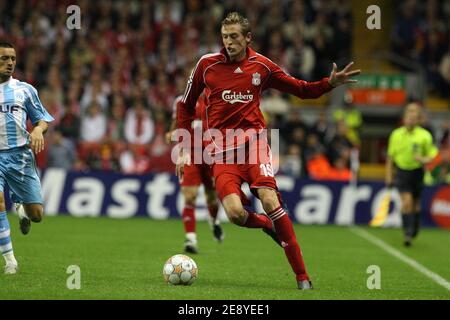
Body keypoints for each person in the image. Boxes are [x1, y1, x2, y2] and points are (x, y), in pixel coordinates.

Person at [176, 12, 360, 290]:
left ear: (247, 38)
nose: (229, 42)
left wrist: (329, 83)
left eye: (235, 36)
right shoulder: (206, 65)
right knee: (236, 214)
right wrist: (184, 148)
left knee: (270, 199)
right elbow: (185, 107)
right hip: (221, 153)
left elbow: (301, 89)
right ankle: (265, 224)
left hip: (254, 146)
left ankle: (302, 277)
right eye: (225, 37)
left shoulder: (262, 66)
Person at [0, 42, 54, 274]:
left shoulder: (25, 89)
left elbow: (42, 118)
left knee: (37, 214)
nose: (10, 62)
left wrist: (39, 129)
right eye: (4, 58)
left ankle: (22, 210)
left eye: (12, 58)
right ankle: (10, 260)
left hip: (20, 156)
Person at [167, 94, 224, 254]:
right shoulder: (181, 101)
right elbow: (175, 124)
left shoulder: (215, 97)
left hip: (211, 154)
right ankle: (190, 238)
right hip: (189, 154)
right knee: (190, 195)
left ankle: (214, 221)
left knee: (212, 196)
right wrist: (170, 134)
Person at [385, 102, 438, 247]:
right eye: (408, 117)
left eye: (414, 117)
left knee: (415, 205)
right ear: (404, 118)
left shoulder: (425, 136)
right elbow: (390, 157)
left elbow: (433, 155)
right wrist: (389, 175)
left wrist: (424, 159)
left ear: (418, 120)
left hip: (418, 172)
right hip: (402, 172)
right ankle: (407, 232)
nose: (410, 120)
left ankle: (414, 225)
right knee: (406, 203)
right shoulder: (396, 134)